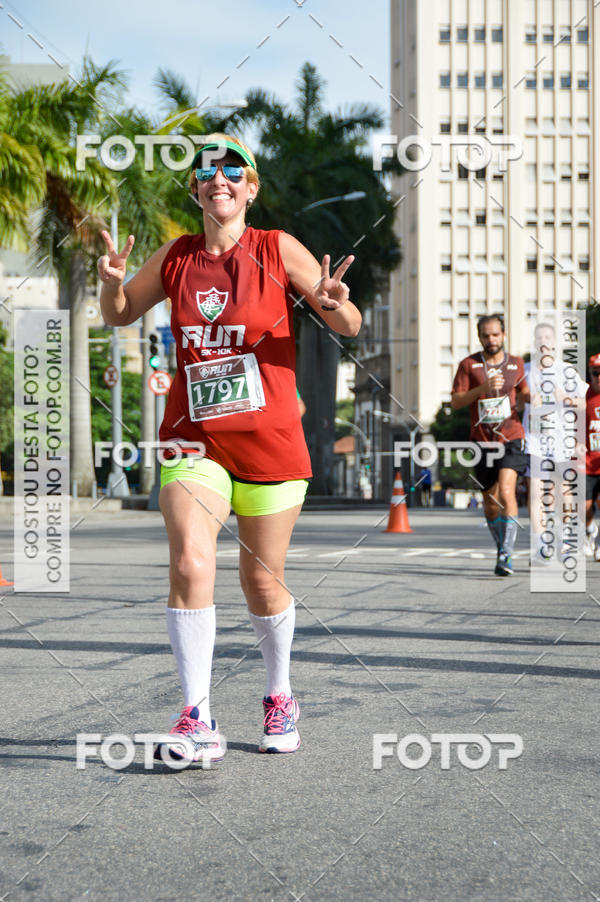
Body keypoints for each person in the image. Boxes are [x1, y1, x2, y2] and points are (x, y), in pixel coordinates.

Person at [98, 134, 361, 764]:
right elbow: (118, 314)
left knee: (261, 581)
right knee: (191, 560)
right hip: (195, 440)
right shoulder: (177, 258)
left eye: (232, 170)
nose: (219, 179)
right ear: (195, 188)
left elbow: (346, 323)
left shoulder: (275, 248)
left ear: (251, 187)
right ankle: (196, 715)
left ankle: (279, 693)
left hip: (270, 443)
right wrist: (109, 282)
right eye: (207, 172)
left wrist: (335, 306)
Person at [451, 314, 529, 576]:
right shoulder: (468, 365)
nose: (491, 340)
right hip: (481, 442)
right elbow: (456, 401)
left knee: (508, 491)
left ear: (504, 335)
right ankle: (500, 549)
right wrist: (482, 387)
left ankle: (506, 554)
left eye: (495, 334)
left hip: (511, 437)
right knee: (490, 502)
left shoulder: (517, 364)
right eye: (486, 335)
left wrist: (534, 397)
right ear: (479, 336)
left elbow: (525, 392)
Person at [523, 323, 587, 563]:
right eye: (539, 337)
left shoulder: (566, 370)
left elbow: (585, 402)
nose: (543, 342)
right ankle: (541, 546)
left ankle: (565, 540)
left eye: (548, 337)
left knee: (563, 494)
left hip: (562, 441)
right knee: (536, 494)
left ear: (555, 342)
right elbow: (515, 402)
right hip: (536, 441)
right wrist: (527, 398)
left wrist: (566, 398)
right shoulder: (526, 370)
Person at [585, 354, 600, 559]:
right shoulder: (583, 396)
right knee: (584, 507)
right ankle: (590, 531)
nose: (599, 377)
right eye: (596, 373)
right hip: (586, 463)